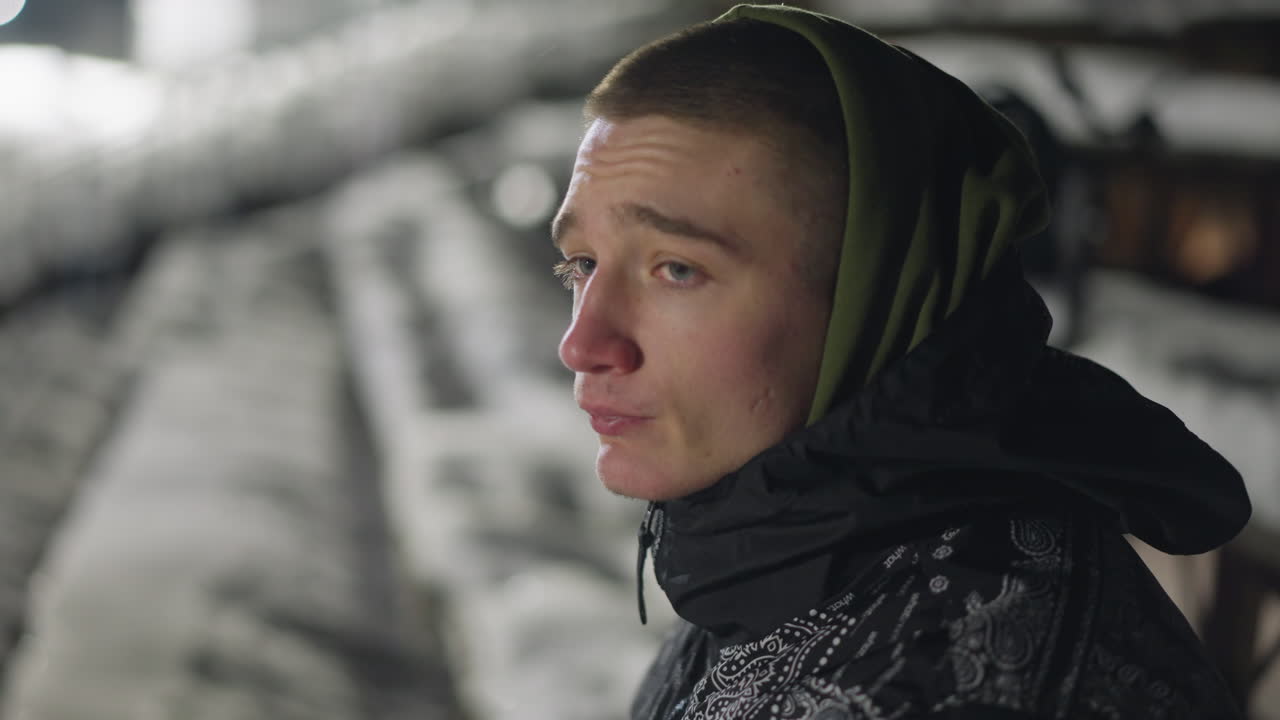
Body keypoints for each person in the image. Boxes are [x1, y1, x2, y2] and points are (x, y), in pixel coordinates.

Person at [550, 5, 1252, 719]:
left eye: (676, 270)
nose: (581, 344)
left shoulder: (953, 689)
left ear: (878, 293)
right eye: (581, 262)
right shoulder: (777, 540)